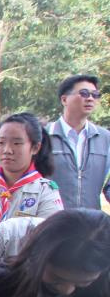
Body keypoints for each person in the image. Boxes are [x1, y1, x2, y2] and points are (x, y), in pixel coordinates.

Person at [0, 113, 63, 261]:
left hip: (23, 279)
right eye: (1, 142)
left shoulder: (45, 192)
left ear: (35, 147)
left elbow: (48, 245)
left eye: (17, 143)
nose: (7, 150)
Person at [47, 74, 110, 210]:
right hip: (50, 223)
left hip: (90, 224)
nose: (90, 98)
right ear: (64, 99)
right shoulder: (44, 136)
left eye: (95, 95)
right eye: (84, 93)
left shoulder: (105, 138)